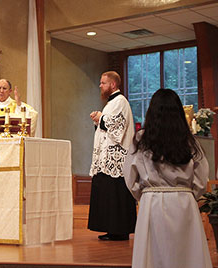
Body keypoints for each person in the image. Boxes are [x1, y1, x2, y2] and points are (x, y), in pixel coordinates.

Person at [123, 88, 212, 268]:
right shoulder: (190, 142)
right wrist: (189, 193)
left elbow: (130, 177)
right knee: (186, 258)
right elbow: (202, 179)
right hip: (184, 204)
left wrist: (143, 194)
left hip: (152, 203)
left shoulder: (141, 140)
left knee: (153, 258)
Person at [87, 71, 137, 241]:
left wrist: (101, 118)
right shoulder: (111, 103)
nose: (100, 86)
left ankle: (119, 230)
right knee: (108, 193)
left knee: (116, 193)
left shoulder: (120, 101)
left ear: (113, 85)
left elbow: (118, 128)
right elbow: (106, 128)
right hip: (106, 157)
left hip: (117, 158)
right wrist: (99, 121)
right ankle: (111, 228)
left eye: (103, 83)